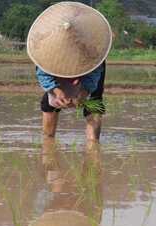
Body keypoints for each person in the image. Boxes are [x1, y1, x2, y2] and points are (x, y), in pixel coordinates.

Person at [26, 2, 112, 143]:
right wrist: (57, 92)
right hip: (57, 70)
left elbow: (93, 76)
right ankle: (48, 141)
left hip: (86, 68)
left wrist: (83, 94)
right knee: (49, 103)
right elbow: (43, 74)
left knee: (94, 102)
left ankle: (93, 144)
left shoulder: (93, 52)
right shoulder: (46, 51)